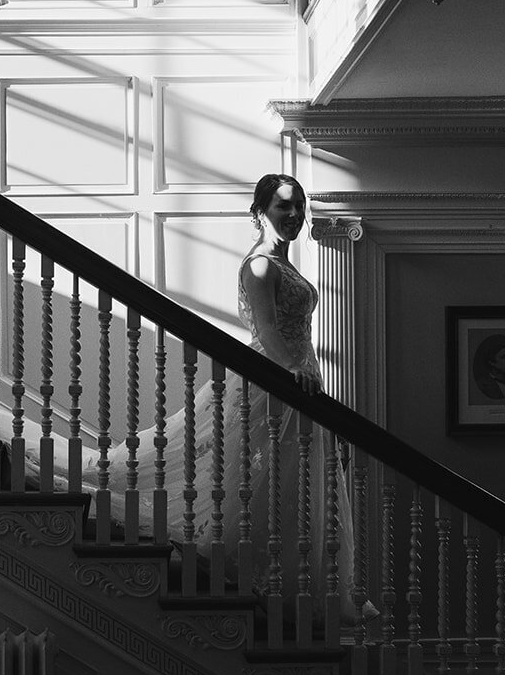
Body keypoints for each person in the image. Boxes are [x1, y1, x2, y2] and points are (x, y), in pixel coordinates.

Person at [100, 173, 374, 627]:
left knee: (295, 481)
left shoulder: (282, 264)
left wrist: (305, 372)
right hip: (277, 378)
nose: (294, 215)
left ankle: (293, 588)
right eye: (284, 206)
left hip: (299, 377)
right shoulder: (261, 264)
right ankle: (256, 579)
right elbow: (265, 326)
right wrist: (293, 370)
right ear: (259, 212)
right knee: (265, 477)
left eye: (299, 206)